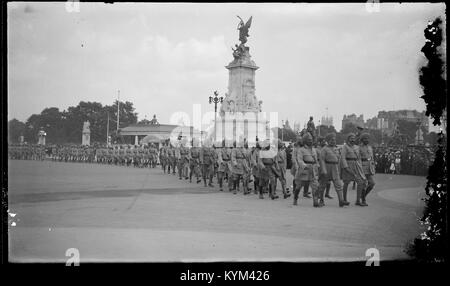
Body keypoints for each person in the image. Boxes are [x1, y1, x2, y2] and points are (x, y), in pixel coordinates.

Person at [318, 133, 349, 207]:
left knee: (338, 184)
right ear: (328, 141)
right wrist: (323, 170)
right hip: (327, 166)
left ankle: (341, 201)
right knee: (323, 185)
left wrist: (342, 168)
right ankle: (321, 200)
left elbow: (339, 159)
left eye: (334, 140)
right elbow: (321, 160)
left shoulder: (337, 149)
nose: (333, 141)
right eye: (332, 140)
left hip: (335, 167)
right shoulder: (324, 149)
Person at [293, 133, 320, 207]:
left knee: (315, 186)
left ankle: (315, 201)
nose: (310, 141)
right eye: (309, 140)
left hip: (312, 170)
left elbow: (315, 160)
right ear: (305, 141)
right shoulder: (301, 150)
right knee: (299, 186)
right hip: (304, 170)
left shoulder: (314, 150)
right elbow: (300, 160)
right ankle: (295, 199)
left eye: (311, 140)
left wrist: (317, 166)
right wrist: (305, 166)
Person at [341, 133, 367, 206]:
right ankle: (344, 199)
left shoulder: (357, 147)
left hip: (356, 165)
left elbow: (359, 157)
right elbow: (343, 157)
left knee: (360, 182)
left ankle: (358, 200)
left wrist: (360, 165)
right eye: (351, 138)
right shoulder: (345, 147)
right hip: (348, 165)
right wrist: (346, 167)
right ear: (348, 139)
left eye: (353, 138)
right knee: (346, 182)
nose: (352, 140)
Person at [359, 133, 376, 206]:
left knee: (372, 183)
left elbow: (372, 158)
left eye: (367, 138)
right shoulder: (359, 148)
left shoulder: (370, 147)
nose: (366, 140)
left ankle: (363, 196)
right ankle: (363, 200)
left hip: (369, 167)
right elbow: (358, 159)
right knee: (363, 184)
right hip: (362, 167)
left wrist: (373, 166)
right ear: (362, 140)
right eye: (365, 138)